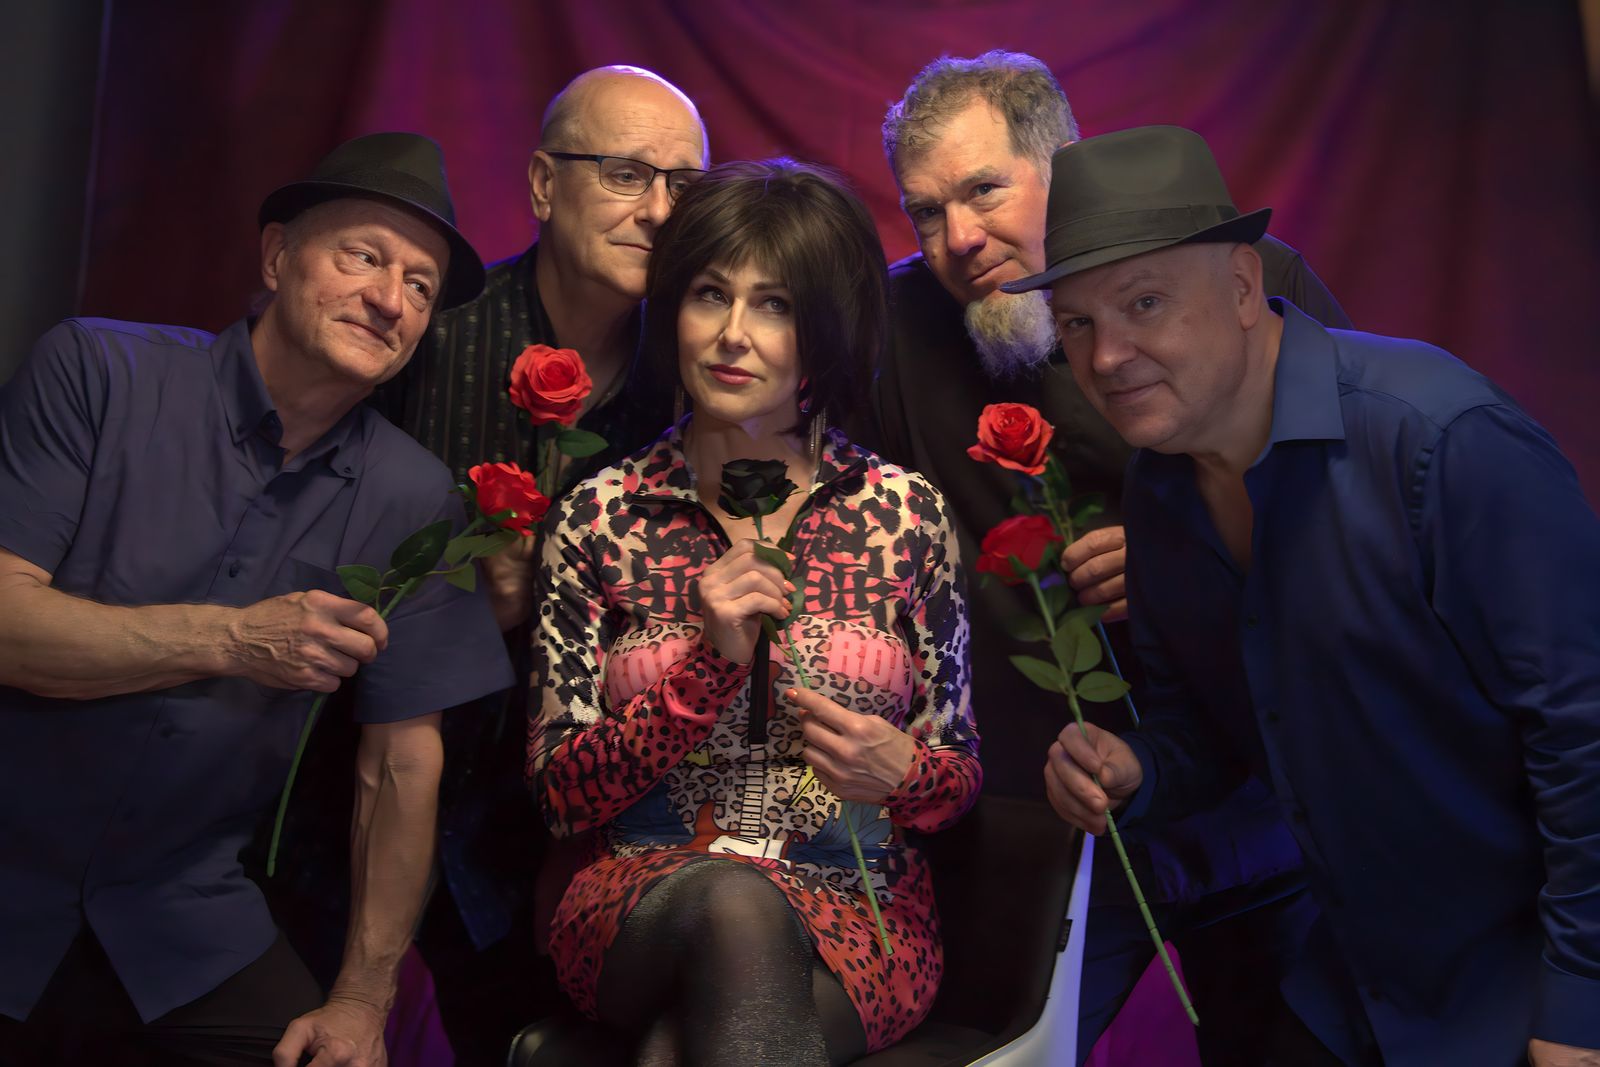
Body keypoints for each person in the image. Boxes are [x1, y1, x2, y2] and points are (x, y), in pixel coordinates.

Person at [1031, 125, 1600, 1067]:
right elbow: (1208, 732)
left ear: (1242, 287)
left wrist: (1580, 1010)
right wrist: (1140, 768)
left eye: (1144, 303)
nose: (1107, 356)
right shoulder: (1159, 486)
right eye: (1077, 324)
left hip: (1524, 975)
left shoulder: (1440, 439)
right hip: (1360, 976)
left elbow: (1585, 731)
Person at [870, 50, 1347, 1061]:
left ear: (1066, 166)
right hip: (1041, 814)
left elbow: (1353, 516)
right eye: (925, 212)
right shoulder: (891, 324)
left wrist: (1193, 550)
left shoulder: (1240, 279)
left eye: (984, 190)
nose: (959, 237)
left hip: (1259, 791)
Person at [0, 132, 513, 1067]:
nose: (390, 299)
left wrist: (361, 1000)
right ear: (277, 257)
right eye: (362, 256)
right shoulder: (98, 373)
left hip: (182, 921)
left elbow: (402, 764)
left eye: (421, 285)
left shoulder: (416, 499)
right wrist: (234, 639)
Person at [529, 159, 981, 1065]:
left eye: (774, 305)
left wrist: (901, 772)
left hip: (860, 907)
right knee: (735, 907)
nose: (732, 335)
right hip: (643, 898)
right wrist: (702, 673)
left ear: (827, 329)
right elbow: (558, 797)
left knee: (686, 1045)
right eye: (710, 295)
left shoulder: (904, 514)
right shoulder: (601, 514)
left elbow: (956, 779)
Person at [322, 67, 707, 1064]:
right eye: (627, 174)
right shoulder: (429, 336)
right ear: (543, 184)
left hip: (566, 831)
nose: (659, 211)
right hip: (348, 787)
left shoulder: (695, 378)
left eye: (684, 185)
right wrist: (463, 605)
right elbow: (309, 551)